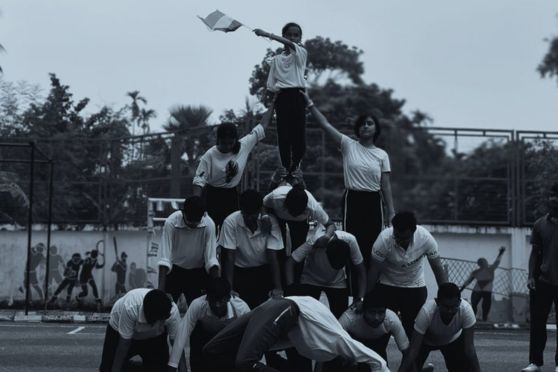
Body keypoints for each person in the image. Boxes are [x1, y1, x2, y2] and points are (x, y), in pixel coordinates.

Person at [301, 90, 395, 267]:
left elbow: (386, 185)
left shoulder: (382, 155)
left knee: (374, 244)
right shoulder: (348, 145)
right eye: (362, 124)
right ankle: (353, 288)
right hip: (353, 199)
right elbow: (326, 125)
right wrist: (309, 104)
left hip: (374, 201)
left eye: (369, 123)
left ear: (376, 129)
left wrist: (391, 212)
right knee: (352, 242)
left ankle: (369, 288)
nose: (365, 126)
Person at [202, 296, 388, 372]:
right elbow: (379, 362)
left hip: (274, 310)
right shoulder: (340, 340)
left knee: (212, 349)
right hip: (286, 307)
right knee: (245, 361)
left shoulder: (320, 351)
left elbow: (279, 340)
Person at [192, 103, 275, 231]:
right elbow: (199, 181)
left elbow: (262, 126)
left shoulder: (243, 145)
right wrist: (196, 206)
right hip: (212, 195)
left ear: (235, 140)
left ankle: (226, 251)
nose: (227, 146)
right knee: (209, 230)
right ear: (218, 140)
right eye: (223, 143)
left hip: (231, 195)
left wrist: (273, 103)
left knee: (230, 229)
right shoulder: (209, 155)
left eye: (230, 143)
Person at [367, 211, 448, 337]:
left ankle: (412, 357)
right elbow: (373, 271)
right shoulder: (383, 239)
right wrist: (366, 299)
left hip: (415, 286)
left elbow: (438, 269)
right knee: (382, 331)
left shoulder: (426, 238)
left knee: (413, 331)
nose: (399, 241)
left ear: (414, 231)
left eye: (404, 238)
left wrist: (446, 297)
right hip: (387, 285)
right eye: (397, 236)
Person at [254, 23, 307, 180]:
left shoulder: (301, 52)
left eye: (296, 35)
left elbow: (290, 45)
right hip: (282, 97)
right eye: (288, 34)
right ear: (283, 35)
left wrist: (267, 34)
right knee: (283, 135)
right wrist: (274, 98)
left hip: (297, 96)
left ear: (300, 38)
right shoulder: (276, 59)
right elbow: (271, 83)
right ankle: (285, 170)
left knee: (299, 136)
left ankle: (295, 167)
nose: (292, 38)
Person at [167, 277, 250, 372]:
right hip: (204, 339)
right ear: (207, 298)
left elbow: (252, 335)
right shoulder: (197, 304)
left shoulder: (241, 308)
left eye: (220, 301)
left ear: (228, 298)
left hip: (230, 341)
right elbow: (182, 334)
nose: (217, 305)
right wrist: (172, 365)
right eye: (213, 301)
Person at [219, 189, 284, 309]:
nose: (248, 218)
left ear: (259, 210)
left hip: (263, 273)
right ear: (241, 210)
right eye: (245, 215)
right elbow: (229, 257)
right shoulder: (230, 222)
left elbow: (273, 257)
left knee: (262, 310)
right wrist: (229, 288)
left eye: (252, 215)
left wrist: (278, 287)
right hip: (240, 273)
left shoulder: (271, 223)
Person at [398, 282, 480, 372]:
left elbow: (470, 349)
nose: (450, 311)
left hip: (452, 340)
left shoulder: (466, 310)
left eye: (454, 307)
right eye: (446, 307)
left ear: (459, 302)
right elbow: (413, 351)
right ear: (437, 302)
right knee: (410, 368)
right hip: (426, 342)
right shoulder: (426, 312)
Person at [286, 227, 366, 318]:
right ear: (326, 252)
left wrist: (361, 299)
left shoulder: (350, 240)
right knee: (306, 315)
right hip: (311, 279)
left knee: (341, 316)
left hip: (337, 282)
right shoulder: (316, 240)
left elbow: (361, 271)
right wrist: (291, 290)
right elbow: (290, 262)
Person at [263, 182, 336, 282]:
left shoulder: (312, 205)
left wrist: (327, 236)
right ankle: (278, 281)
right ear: (285, 204)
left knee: (298, 251)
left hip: (300, 223)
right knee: (279, 247)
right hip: (279, 218)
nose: (293, 215)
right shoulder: (276, 197)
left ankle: (296, 281)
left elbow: (330, 225)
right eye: (291, 211)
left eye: (298, 212)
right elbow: (262, 205)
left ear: (306, 209)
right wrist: (265, 216)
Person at [99, 288, 180, 372]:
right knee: (107, 368)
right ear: (151, 320)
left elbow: (177, 346)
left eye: (165, 319)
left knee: (160, 368)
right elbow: (124, 345)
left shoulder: (172, 312)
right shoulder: (130, 307)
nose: (163, 323)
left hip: (154, 338)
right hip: (119, 331)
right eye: (161, 320)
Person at [522, 183, 558, 372]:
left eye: (557, 195)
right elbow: (535, 253)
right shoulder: (540, 224)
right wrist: (530, 276)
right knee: (537, 324)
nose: (554, 199)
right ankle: (535, 363)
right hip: (543, 281)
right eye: (552, 195)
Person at [158, 196, 219, 304]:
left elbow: (211, 260)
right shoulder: (171, 222)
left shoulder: (209, 224)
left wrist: (218, 289)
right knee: (165, 307)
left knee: (200, 311)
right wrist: (160, 292)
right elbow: (164, 259)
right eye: (190, 221)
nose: (193, 225)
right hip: (174, 272)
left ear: (203, 215)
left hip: (197, 273)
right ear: (183, 213)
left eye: (197, 221)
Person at [338, 291, 409, 362]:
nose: (376, 318)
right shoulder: (349, 318)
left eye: (381, 313)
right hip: (353, 350)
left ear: (385, 311)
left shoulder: (391, 319)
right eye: (372, 312)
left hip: (379, 350)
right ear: (363, 311)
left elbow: (406, 352)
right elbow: (333, 343)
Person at [460, 246, 506, 321]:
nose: (485, 263)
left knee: (481, 305)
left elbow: (468, 281)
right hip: (482, 290)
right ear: (482, 264)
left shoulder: (487, 270)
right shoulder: (486, 270)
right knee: (479, 305)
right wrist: (500, 254)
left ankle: (480, 318)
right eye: (484, 262)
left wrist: (500, 254)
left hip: (481, 291)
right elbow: (497, 262)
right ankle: (477, 318)